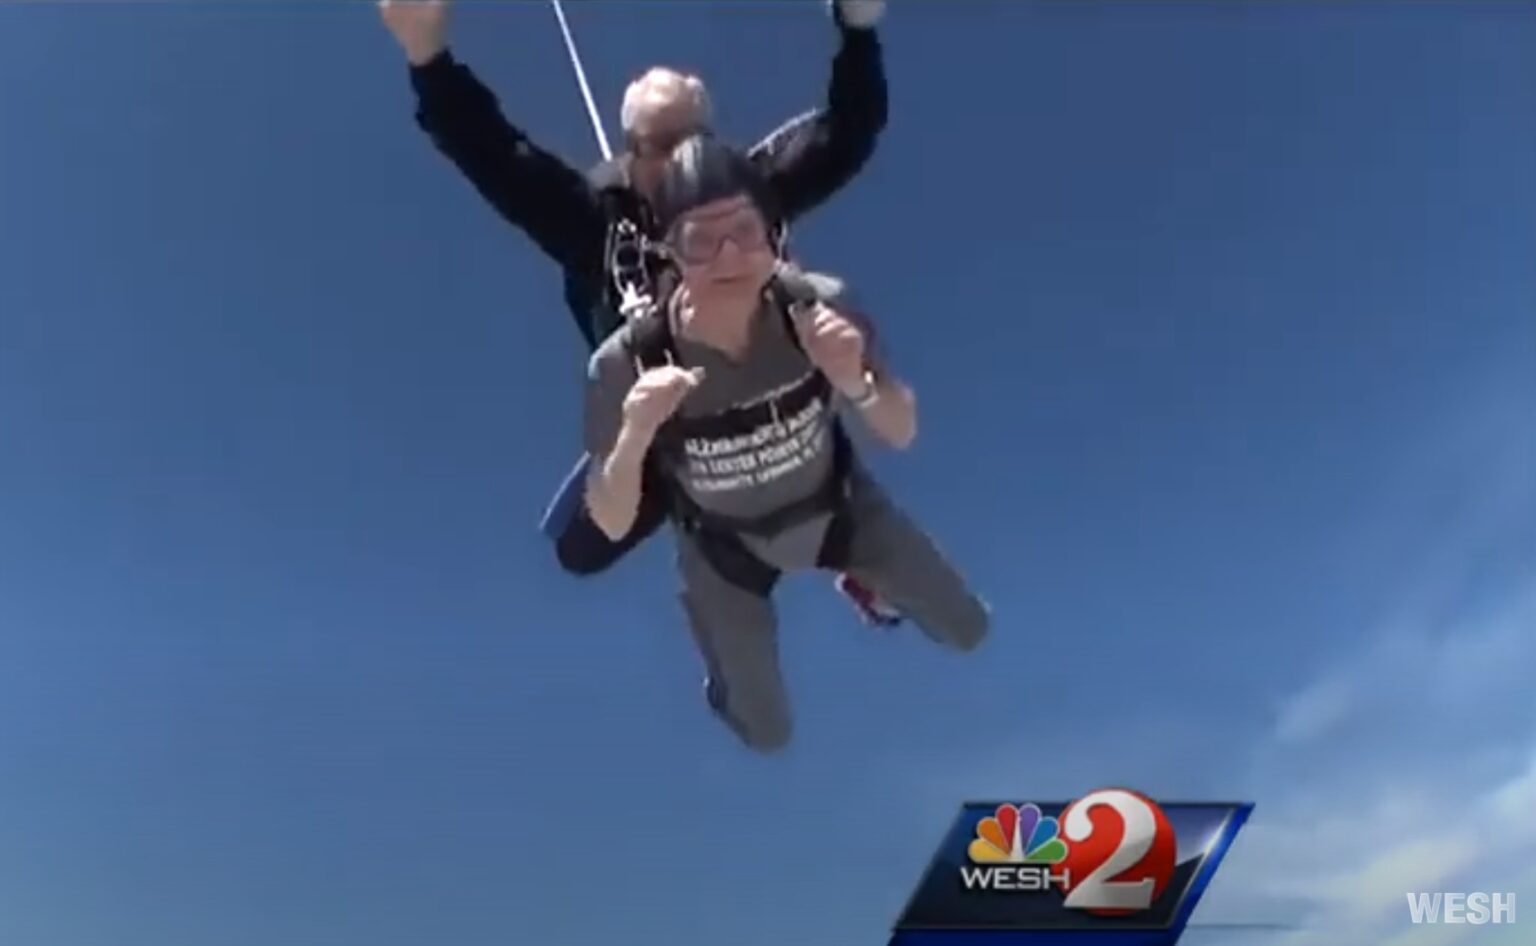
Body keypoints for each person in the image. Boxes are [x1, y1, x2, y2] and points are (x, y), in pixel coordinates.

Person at [377, 0, 900, 625]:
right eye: (662, 146)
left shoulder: (748, 193)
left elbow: (846, 132)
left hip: (771, 401)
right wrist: (428, 58)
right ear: (631, 153)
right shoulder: (596, 223)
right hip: (667, 426)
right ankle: (722, 555)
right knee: (580, 548)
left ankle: (838, 540)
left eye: (694, 142)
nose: (683, 163)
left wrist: (859, 28)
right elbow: (497, 158)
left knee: (804, 384)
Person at [583, 134, 989, 751]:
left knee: (969, 628)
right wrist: (636, 433)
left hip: (840, 509)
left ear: (773, 235)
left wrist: (853, 380)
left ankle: (861, 577)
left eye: (744, 231)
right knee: (766, 731)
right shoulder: (627, 362)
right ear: (669, 251)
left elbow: (901, 430)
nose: (728, 256)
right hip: (724, 548)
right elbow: (610, 520)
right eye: (699, 239)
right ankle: (720, 672)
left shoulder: (820, 308)